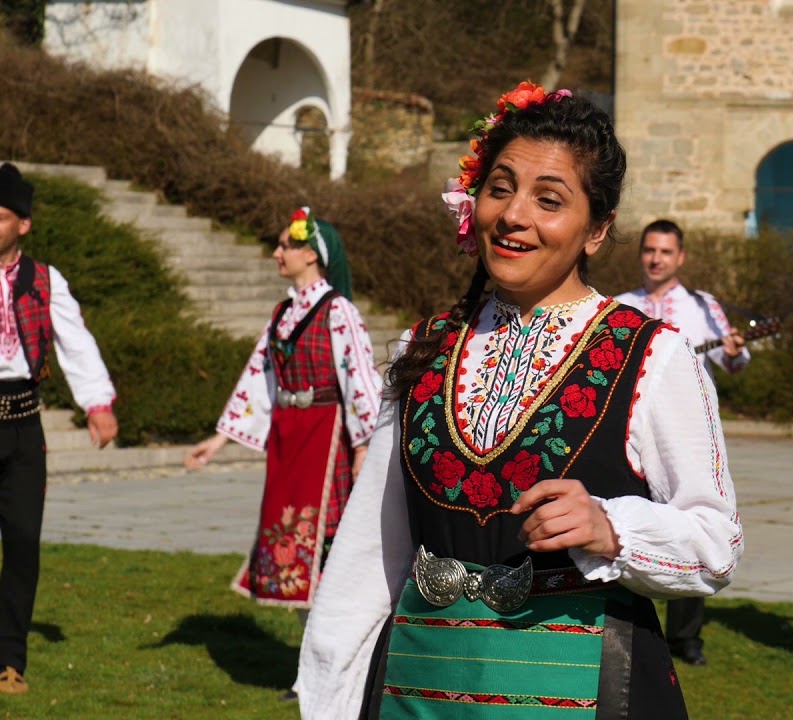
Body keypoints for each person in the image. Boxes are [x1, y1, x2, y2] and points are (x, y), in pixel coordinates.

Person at [296, 82, 743, 720]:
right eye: (500, 188)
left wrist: (611, 528)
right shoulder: (425, 346)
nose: (513, 215)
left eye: (549, 200)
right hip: (418, 690)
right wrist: (329, 698)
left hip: (585, 692)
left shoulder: (654, 356)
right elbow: (372, 551)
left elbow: (716, 542)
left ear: (598, 230)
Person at [185, 208, 382, 698]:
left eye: (284, 246)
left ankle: (342, 670)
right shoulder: (282, 313)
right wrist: (219, 439)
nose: (276, 253)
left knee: (329, 565)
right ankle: (311, 672)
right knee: (295, 562)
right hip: (289, 441)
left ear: (311, 253)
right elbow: (259, 378)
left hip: (326, 440)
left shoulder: (338, 312)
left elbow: (360, 379)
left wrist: (362, 448)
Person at [0, 162, 119, 695]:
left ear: (22, 224)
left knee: (23, 543)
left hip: (23, 425)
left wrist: (98, 403)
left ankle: (9, 660)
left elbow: (77, 344)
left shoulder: (45, 281)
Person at [614, 218, 748, 667]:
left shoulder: (702, 307)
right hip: (629, 432)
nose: (656, 259)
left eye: (666, 252)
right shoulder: (619, 307)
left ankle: (686, 637)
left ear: (680, 257)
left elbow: (736, 363)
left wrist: (732, 353)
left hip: (684, 436)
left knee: (693, 518)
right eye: (650, 250)